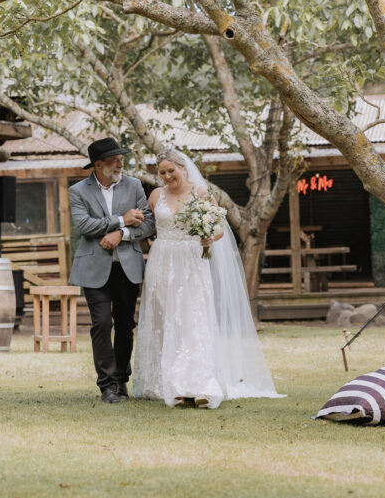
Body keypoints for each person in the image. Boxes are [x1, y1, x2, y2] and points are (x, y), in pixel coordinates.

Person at [133, 148, 283, 409]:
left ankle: (198, 384)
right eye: (162, 173)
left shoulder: (201, 194)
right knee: (165, 319)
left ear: (183, 168)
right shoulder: (156, 195)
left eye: (171, 170)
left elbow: (219, 230)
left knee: (191, 320)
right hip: (161, 263)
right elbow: (149, 227)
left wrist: (209, 238)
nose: (167, 176)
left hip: (191, 262)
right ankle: (166, 381)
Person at [68, 138, 155, 404]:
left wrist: (122, 233)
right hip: (94, 268)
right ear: (98, 164)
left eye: (121, 157)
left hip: (128, 267)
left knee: (126, 325)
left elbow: (148, 224)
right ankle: (106, 385)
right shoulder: (78, 191)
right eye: (114, 158)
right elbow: (84, 225)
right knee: (102, 323)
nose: (120, 162)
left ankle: (120, 380)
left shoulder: (134, 185)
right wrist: (121, 219)